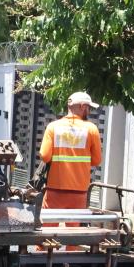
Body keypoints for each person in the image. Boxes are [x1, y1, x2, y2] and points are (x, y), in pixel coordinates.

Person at [39, 91, 103, 248]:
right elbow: (96, 160)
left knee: (46, 233)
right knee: (72, 235)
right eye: (88, 108)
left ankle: (42, 259)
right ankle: (70, 260)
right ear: (82, 106)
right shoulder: (91, 129)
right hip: (79, 192)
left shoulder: (53, 127)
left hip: (55, 190)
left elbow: (44, 156)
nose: (89, 111)